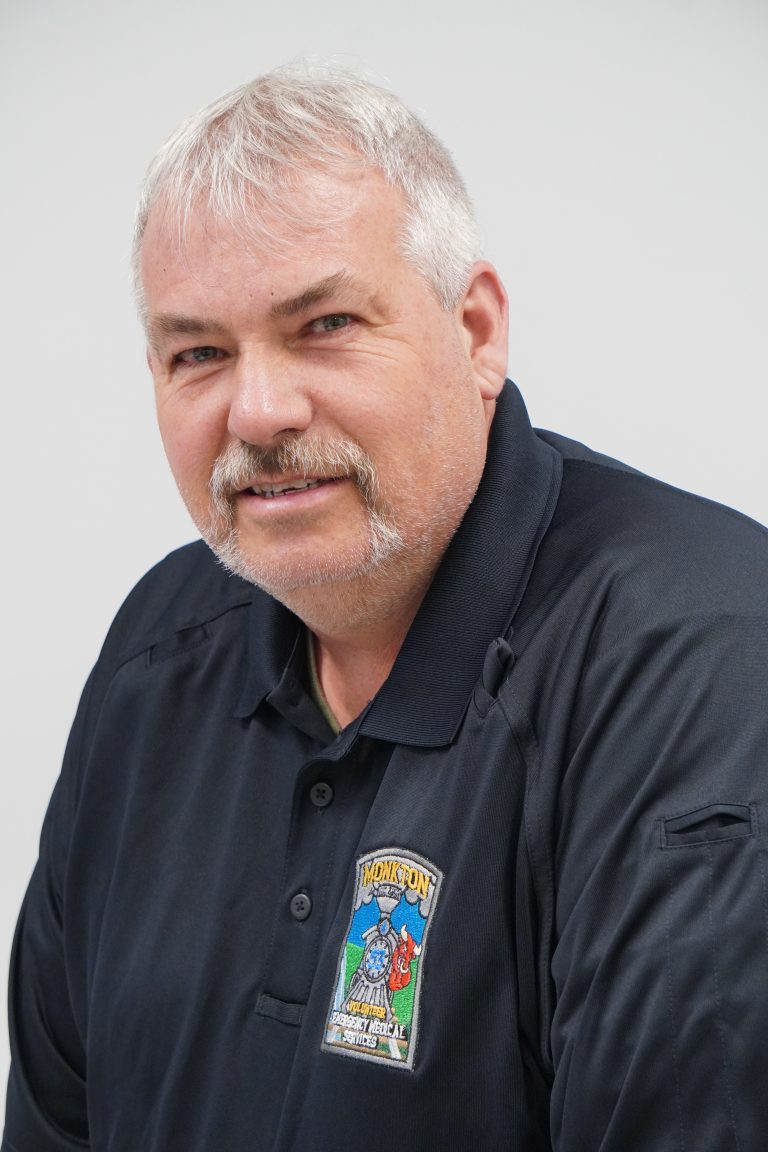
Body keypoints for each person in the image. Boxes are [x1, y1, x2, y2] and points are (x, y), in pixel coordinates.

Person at [3, 65, 767, 1152]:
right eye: (199, 353)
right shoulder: (154, 656)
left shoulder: (695, 663)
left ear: (476, 331)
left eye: (324, 324)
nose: (258, 411)